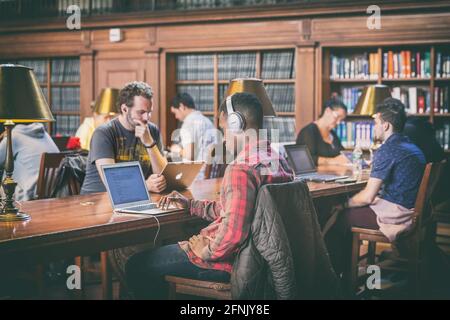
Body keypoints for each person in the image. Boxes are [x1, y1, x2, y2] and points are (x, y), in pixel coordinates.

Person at [125, 92, 294, 299]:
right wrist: (191, 205)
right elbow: (240, 211)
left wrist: (206, 251)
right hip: (260, 261)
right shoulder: (279, 161)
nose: (223, 135)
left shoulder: (241, 168)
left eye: (223, 127)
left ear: (236, 124)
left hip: (231, 263)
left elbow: (233, 233)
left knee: (137, 264)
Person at [327, 98, 426, 273]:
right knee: (348, 213)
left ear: (386, 125)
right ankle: (348, 272)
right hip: (412, 211)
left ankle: (335, 276)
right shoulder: (412, 146)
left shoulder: (388, 149)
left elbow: (367, 196)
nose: (375, 127)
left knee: (341, 218)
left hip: (398, 216)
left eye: (376, 122)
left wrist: (342, 205)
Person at [80, 81, 167, 195]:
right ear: (124, 109)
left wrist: (149, 143)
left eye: (149, 112)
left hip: (135, 197)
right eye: (141, 112)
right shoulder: (103, 133)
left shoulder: (152, 130)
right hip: (97, 200)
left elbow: (163, 174)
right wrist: (146, 185)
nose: (146, 118)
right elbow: (112, 183)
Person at [0, 123, 59, 201]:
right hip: (53, 190)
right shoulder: (45, 135)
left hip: (29, 193)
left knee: (8, 171)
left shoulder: (14, 136)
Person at [169, 92, 217, 179]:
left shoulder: (188, 124)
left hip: (196, 178)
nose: (176, 117)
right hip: (212, 176)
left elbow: (189, 155)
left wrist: (176, 150)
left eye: (175, 112)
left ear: (182, 107)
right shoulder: (207, 121)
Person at [296, 98, 349, 165]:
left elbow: (342, 153)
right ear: (327, 111)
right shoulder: (308, 132)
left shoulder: (332, 134)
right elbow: (304, 159)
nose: (338, 122)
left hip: (334, 173)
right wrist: (333, 161)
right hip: (316, 174)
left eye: (341, 120)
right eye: (337, 117)